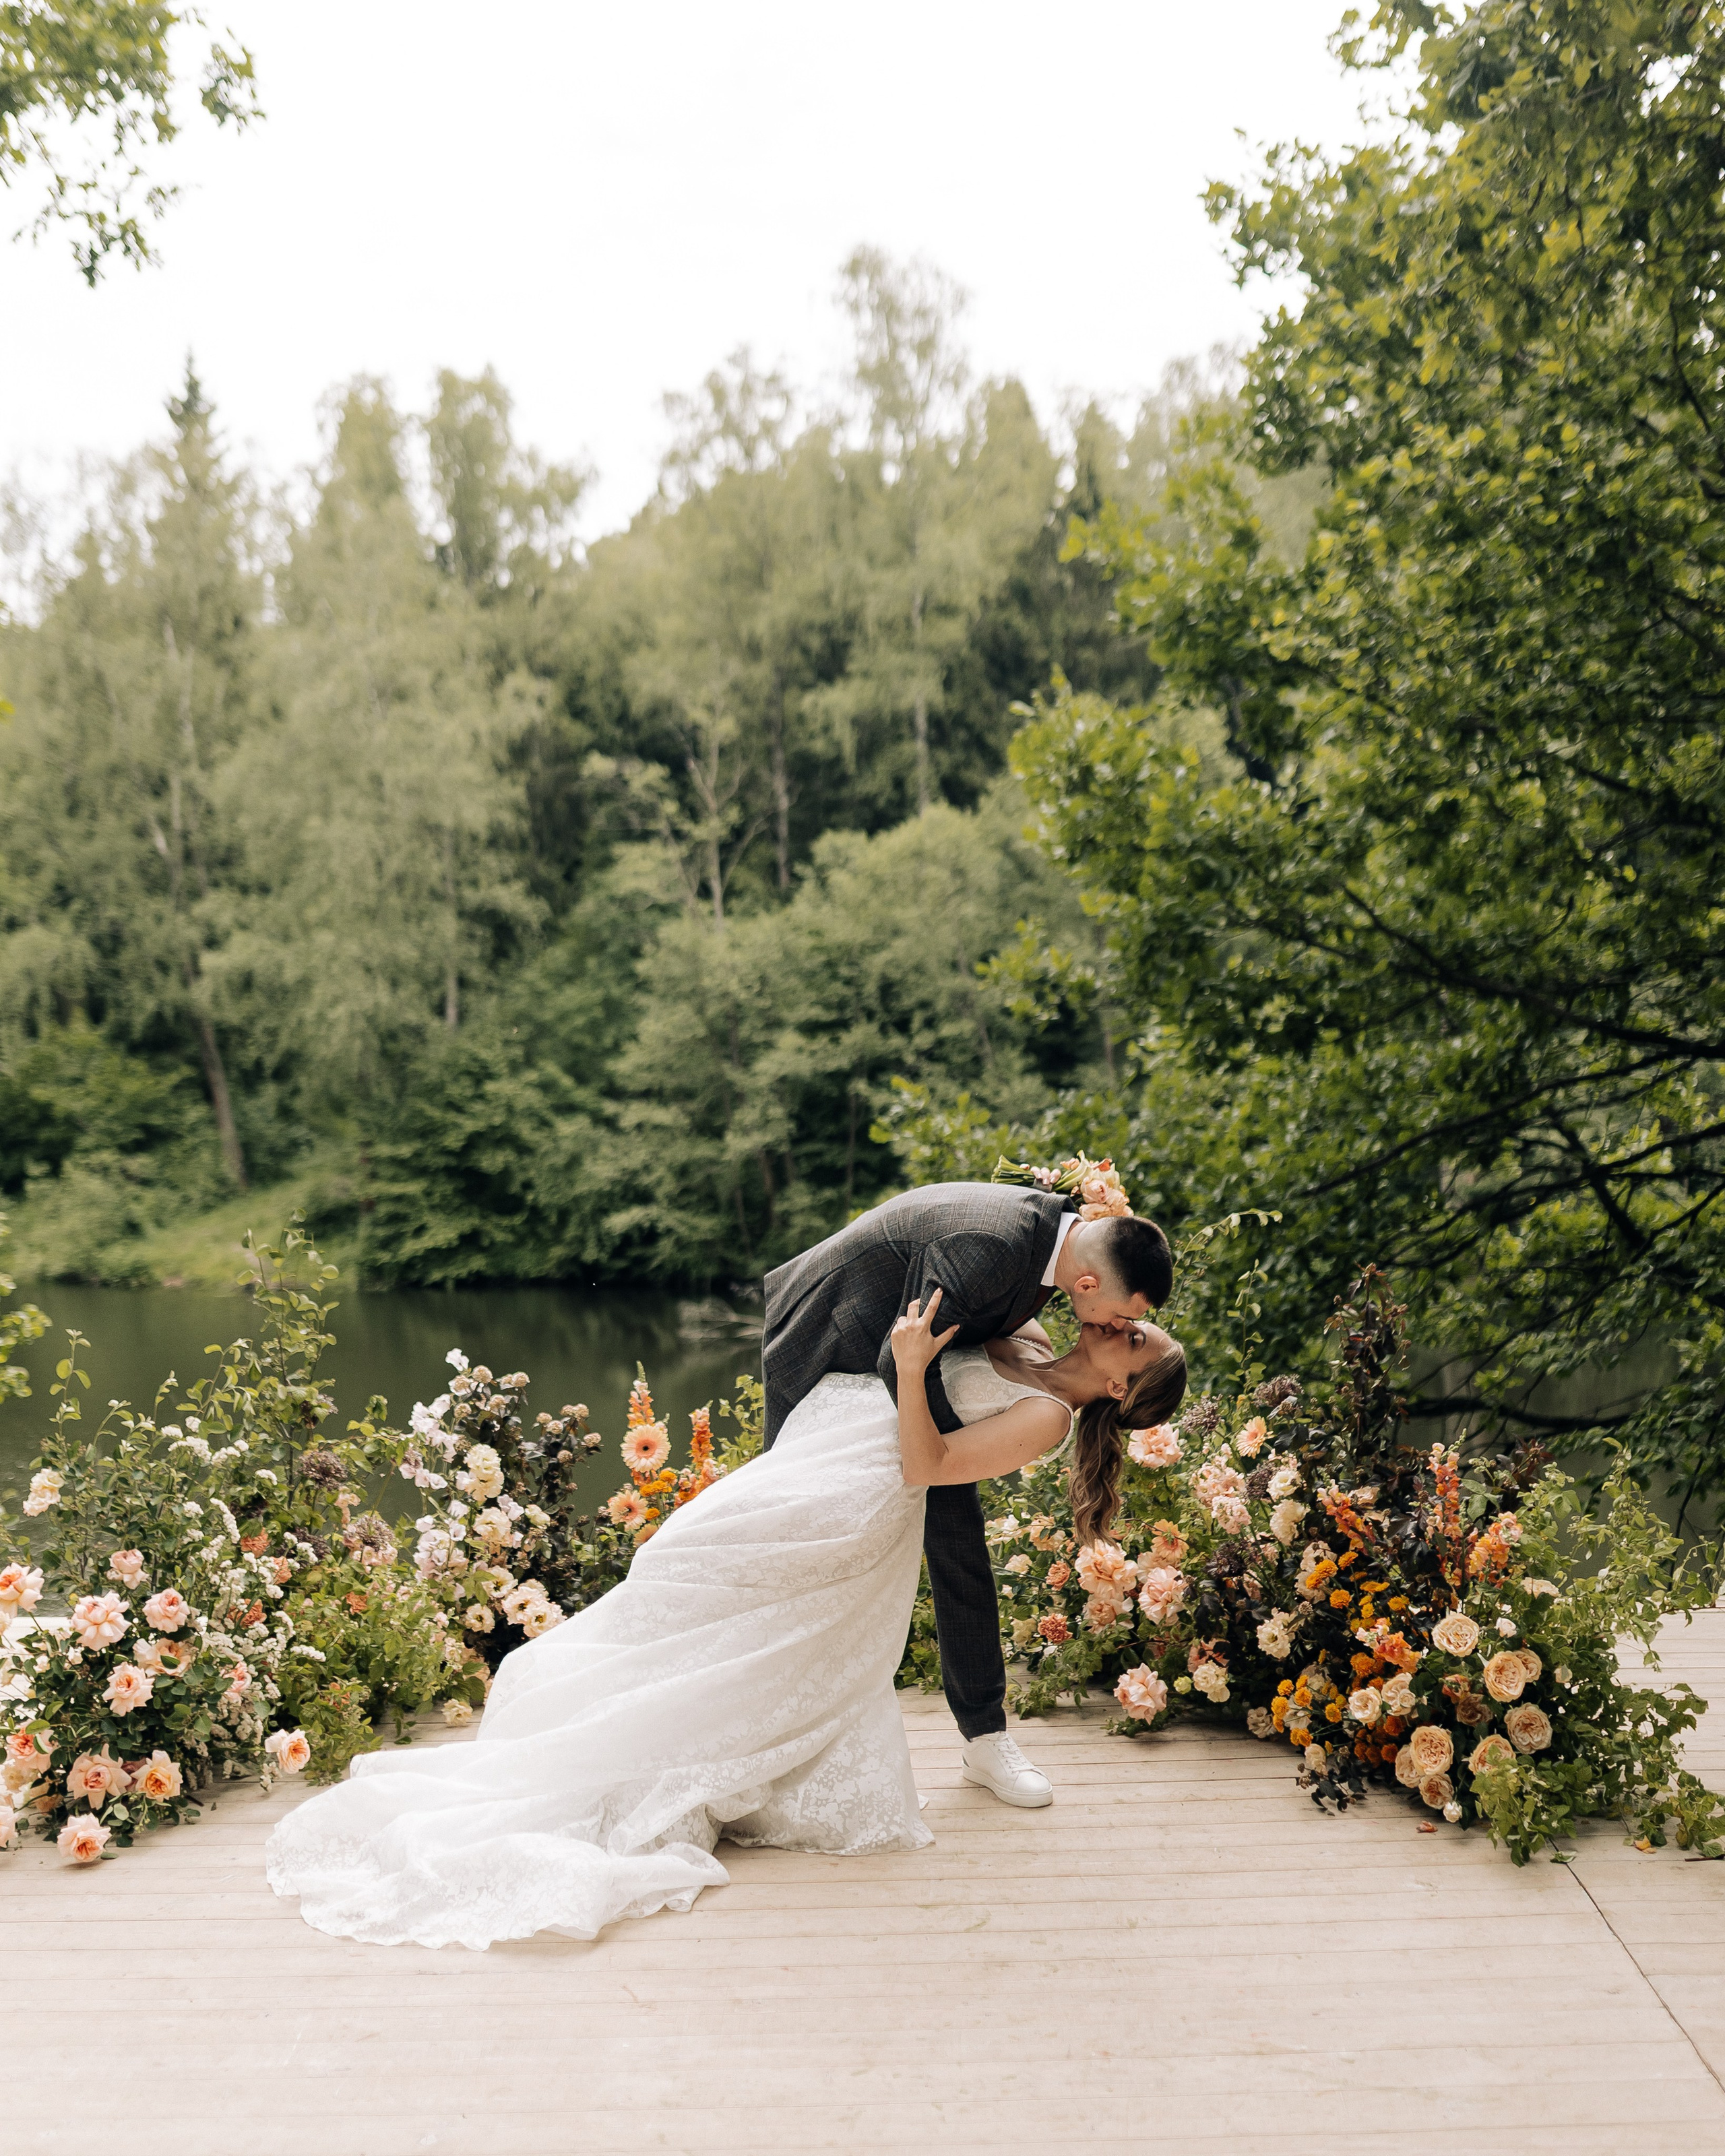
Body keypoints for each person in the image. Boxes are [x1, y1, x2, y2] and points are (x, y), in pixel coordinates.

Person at [265, 1263, 1186, 1951]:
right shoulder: (1024, 1337)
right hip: (821, 1457)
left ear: (1119, 1391)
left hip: (854, 1498)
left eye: (1138, 1345)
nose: (1126, 1328)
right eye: (1137, 1325)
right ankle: (614, 1725)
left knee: (714, 1590)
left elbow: (927, 1467)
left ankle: (656, 1754)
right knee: (679, 1562)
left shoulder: (1050, 1416)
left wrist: (911, 1369)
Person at [762, 1180, 1174, 1806]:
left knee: (957, 1550)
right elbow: (898, 1354)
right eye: (1128, 1320)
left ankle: (983, 1736)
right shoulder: (1001, 1256)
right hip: (824, 1336)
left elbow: (940, 1372)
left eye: (1133, 1331)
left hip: (900, 1410)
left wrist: (937, 1460)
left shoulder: (1045, 1254)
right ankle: (784, 1738)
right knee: (796, 1552)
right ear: (1089, 1286)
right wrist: (932, 1456)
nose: (1123, 1325)